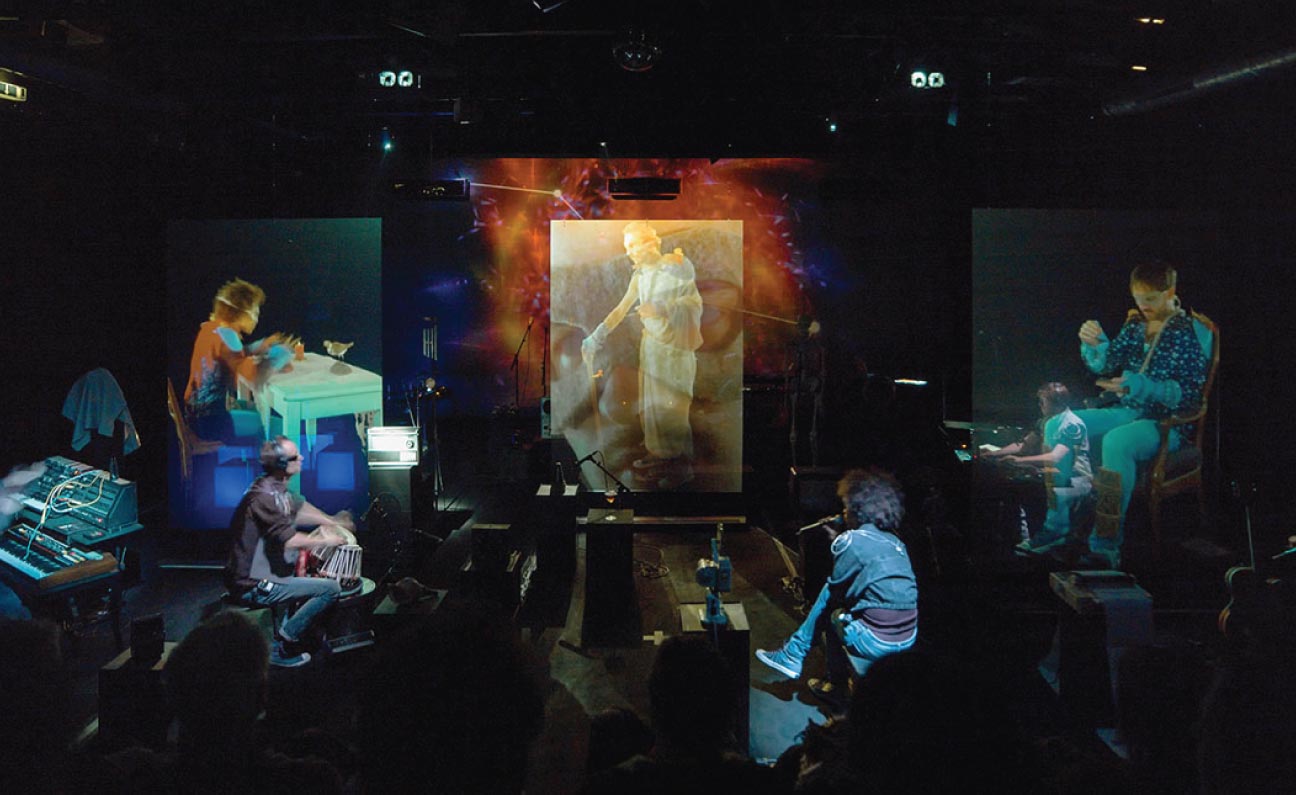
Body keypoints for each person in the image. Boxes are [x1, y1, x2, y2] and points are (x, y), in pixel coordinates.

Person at [1074, 261, 1208, 568]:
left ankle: (1105, 545)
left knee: (1117, 440)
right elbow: (1108, 364)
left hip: (1165, 423)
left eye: (1150, 298)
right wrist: (1095, 343)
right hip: (1127, 410)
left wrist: (1142, 385)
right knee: (1061, 425)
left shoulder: (1189, 331)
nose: (1143, 305)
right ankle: (1060, 528)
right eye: (1138, 298)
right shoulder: (1136, 325)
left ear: (1170, 292)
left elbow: (1190, 395)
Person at [756, 467, 918, 710]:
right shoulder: (895, 541)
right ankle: (794, 652)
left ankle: (823, 678)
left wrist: (837, 541)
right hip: (907, 638)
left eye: (846, 507)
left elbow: (836, 593)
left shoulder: (850, 541)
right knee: (836, 598)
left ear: (858, 510)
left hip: (875, 641)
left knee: (832, 610)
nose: (842, 512)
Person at [581, 221, 704, 489]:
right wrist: (596, 336)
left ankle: (680, 469)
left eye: (634, 244)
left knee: (673, 406)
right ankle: (660, 456)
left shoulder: (676, 265)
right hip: (652, 348)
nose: (629, 252)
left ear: (652, 241)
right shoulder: (640, 276)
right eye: (627, 247)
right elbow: (621, 308)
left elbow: (693, 303)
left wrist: (661, 308)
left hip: (675, 350)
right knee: (654, 405)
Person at [224, 435, 352, 667]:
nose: (301, 458)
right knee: (330, 589)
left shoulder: (277, 488)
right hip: (253, 584)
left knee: (304, 571)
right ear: (281, 464)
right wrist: (326, 540)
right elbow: (290, 541)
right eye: (295, 457)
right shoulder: (263, 496)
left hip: (266, 575)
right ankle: (280, 644)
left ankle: (293, 633)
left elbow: (300, 508)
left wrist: (332, 521)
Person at [984, 382, 1093, 557]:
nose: (1040, 405)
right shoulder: (1045, 421)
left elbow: (1056, 457)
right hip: (1055, 477)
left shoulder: (1072, 424)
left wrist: (1020, 461)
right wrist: (994, 454)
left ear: (1057, 403)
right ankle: (1028, 536)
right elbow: (1024, 445)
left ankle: (1049, 539)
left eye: (1043, 401)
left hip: (1073, 482)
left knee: (1034, 497)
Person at [185, 277, 296, 442]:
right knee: (281, 426)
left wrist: (258, 347)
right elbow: (253, 379)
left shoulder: (212, 328)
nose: (257, 318)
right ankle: (265, 459)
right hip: (212, 423)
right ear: (241, 312)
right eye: (255, 312)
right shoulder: (229, 336)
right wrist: (280, 354)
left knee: (255, 410)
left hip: (196, 416)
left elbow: (230, 357)